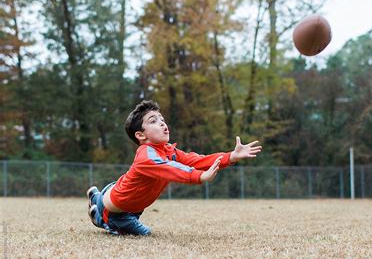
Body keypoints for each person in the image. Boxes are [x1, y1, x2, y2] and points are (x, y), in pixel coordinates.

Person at [86, 100, 262, 236]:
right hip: (118, 210)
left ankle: (96, 197)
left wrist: (230, 156)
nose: (162, 123)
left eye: (162, 119)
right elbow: (170, 168)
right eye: (154, 121)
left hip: (123, 194)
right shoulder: (146, 155)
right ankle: (100, 216)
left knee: (136, 224)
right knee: (144, 234)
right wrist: (199, 177)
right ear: (140, 135)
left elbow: (195, 160)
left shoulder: (169, 150)